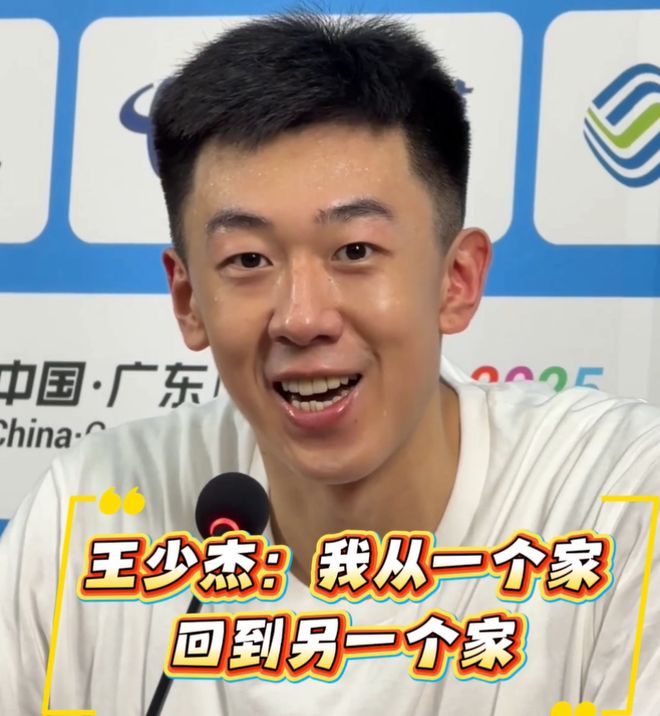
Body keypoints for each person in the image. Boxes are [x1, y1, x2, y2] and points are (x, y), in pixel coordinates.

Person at [1, 13, 658, 716]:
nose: (302, 317)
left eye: (354, 251)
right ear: (188, 300)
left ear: (457, 280)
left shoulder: (617, 500)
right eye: (247, 260)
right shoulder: (95, 514)